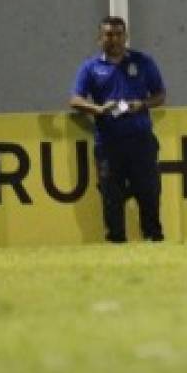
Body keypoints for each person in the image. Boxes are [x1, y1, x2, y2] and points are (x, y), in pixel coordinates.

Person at [69, 16, 166, 243]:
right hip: (108, 144)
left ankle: (154, 239)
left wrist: (141, 105)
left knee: (149, 192)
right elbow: (75, 99)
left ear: (126, 36)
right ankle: (116, 242)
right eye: (109, 35)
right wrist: (99, 109)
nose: (114, 39)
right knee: (111, 197)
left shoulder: (143, 62)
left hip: (141, 140)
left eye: (118, 34)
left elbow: (160, 95)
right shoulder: (90, 67)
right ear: (100, 38)